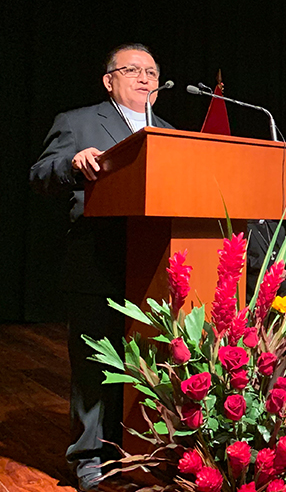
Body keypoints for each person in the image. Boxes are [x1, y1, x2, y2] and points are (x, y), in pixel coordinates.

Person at [28, 43, 173, 491]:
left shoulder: (169, 132)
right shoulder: (79, 122)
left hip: (154, 266)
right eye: (133, 70)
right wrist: (72, 165)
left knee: (148, 362)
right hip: (97, 260)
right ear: (109, 80)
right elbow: (40, 173)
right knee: (94, 363)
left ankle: (140, 448)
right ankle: (89, 457)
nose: (145, 78)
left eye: (151, 71)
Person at [246, 219, 286, 301]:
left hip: (282, 274)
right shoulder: (245, 228)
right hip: (257, 275)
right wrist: (272, 270)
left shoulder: (277, 227)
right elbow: (246, 259)